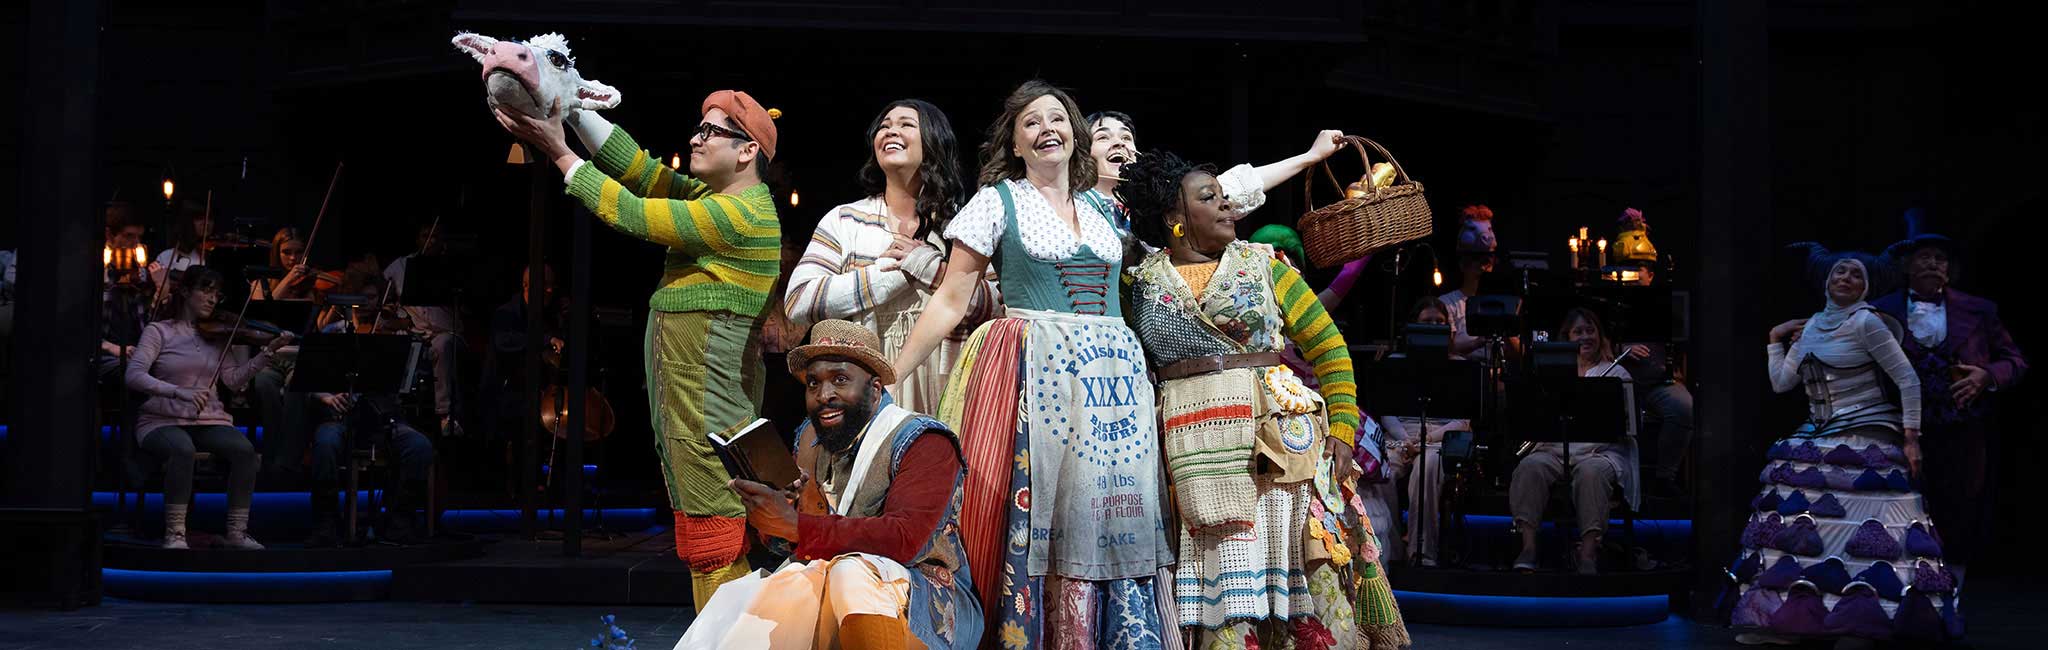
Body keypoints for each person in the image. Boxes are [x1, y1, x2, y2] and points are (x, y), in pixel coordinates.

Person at [891, 80, 1171, 648]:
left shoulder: (1103, 207)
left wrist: (1309, 157)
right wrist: (890, 376)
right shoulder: (998, 201)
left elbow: (1228, 188)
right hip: (1030, 370)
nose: (1048, 129)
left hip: (1110, 378)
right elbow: (950, 299)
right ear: (1015, 143)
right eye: (1032, 123)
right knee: (1035, 504)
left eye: (1059, 119)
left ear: (1077, 133)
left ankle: (1111, 633)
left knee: (1109, 508)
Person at [494, 86, 782, 608]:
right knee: (706, 527)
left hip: (708, 416)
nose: (696, 138)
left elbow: (631, 211)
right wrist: (572, 108)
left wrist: (559, 150)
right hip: (692, 413)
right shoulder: (711, 198)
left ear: (747, 151)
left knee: (714, 528)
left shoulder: (740, 216)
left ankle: (724, 641)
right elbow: (643, 171)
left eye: (711, 131)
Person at [1121, 147, 1410, 648]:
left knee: (1289, 568)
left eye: (1225, 196)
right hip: (1187, 448)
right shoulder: (1138, 283)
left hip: (1273, 448)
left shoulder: (1265, 266)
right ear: (1175, 218)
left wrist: (1342, 429)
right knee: (1213, 568)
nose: (1227, 206)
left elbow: (1329, 348)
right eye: (1210, 198)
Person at [683, 320, 980, 649]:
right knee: (759, 609)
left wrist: (798, 526)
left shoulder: (923, 441)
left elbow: (904, 540)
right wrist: (775, 519)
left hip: (929, 603)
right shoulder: (811, 439)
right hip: (832, 584)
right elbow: (802, 545)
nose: (824, 395)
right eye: (813, 383)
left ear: (875, 387)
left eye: (840, 380)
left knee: (851, 573)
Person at [1730, 244, 1947, 645]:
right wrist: (1775, 338)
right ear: (1827, 280)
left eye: (1856, 275)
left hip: (1866, 432)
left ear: (1866, 287)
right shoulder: (1812, 325)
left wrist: (1912, 438)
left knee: (1861, 531)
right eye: (1840, 273)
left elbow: (1908, 380)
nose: (1846, 279)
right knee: (1805, 529)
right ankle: (1795, 621)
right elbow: (1782, 383)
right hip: (1819, 431)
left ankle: (1865, 623)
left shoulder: (1868, 323)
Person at [784, 99, 999, 414]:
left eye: (906, 125)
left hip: (952, 389)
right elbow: (798, 300)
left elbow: (996, 305)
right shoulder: (846, 220)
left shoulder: (965, 225)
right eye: (884, 126)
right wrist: (892, 274)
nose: (890, 131)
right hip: (867, 392)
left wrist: (929, 268)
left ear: (934, 142)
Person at [1872, 213, 2025, 581]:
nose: (1933, 264)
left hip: (1961, 430)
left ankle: (1950, 602)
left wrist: (1987, 375)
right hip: (1899, 428)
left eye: (1940, 258)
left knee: (1958, 513)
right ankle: (1903, 600)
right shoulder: (1880, 310)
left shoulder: (1979, 309)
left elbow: (2015, 361)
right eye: (1924, 256)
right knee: (1899, 512)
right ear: (1907, 265)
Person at [124, 266, 293, 549]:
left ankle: (237, 532)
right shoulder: (159, 331)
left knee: (244, 450)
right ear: (186, 292)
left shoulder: (216, 334)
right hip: (161, 417)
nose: (212, 299)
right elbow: (134, 375)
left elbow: (233, 380)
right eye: (206, 290)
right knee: (181, 449)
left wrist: (268, 352)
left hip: (206, 418)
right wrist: (179, 392)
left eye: (217, 293)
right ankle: (176, 533)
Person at [1508, 308, 1639, 574]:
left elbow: (1627, 426)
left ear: (1600, 335)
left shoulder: (1617, 373)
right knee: (1530, 467)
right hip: (1555, 450)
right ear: (1566, 337)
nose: (1585, 336)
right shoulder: (1548, 374)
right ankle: (1529, 548)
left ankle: (1588, 553)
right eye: (1578, 331)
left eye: (1590, 330)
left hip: (1600, 451)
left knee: (1592, 473)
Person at [1373, 297, 1471, 567]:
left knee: (1427, 467)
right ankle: (1390, 550)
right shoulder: (1396, 362)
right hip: (1400, 437)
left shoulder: (1460, 365)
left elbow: (1462, 421)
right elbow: (1386, 411)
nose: (1434, 327)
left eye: (1439, 323)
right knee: (1384, 472)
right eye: (1427, 322)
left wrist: (1425, 440)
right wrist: (1405, 441)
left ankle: (1423, 552)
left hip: (1439, 438)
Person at [382, 223, 464, 438]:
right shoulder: (401, 266)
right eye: (425, 235)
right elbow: (383, 296)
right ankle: (393, 413)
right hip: (413, 333)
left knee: (442, 344)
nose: (430, 241)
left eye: (435, 236)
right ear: (418, 239)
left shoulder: (452, 267)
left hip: (447, 333)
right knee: (396, 343)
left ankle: (446, 415)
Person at [1440, 205, 1517, 360]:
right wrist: (1480, 340)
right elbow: (1446, 348)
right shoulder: (1447, 303)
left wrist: (1505, 327)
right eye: (1476, 260)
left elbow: (1517, 354)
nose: (1482, 266)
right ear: (1463, 264)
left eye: (1487, 261)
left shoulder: (1504, 304)